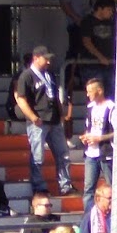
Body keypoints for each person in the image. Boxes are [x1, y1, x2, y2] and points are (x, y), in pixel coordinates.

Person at [13, 46, 73, 197]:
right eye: (45, 59)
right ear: (36, 58)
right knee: (38, 156)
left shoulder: (49, 74)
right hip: (38, 121)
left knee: (63, 154)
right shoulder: (26, 76)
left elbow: (54, 95)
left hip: (54, 120)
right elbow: (21, 98)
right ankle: (39, 187)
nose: (48, 62)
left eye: (49, 59)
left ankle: (65, 186)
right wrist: (32, 117)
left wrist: (61, 113)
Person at [79, 76, 115, 198]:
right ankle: (88, 211)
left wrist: (99, 138)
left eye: (90, 91)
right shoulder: (90, 107)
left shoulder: (111, 107)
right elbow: (89, 127)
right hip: (90, 153)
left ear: (99, 91)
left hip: (106, 153)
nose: (87, 94)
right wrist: (86, 137)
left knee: (113, 187)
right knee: (88, 189)